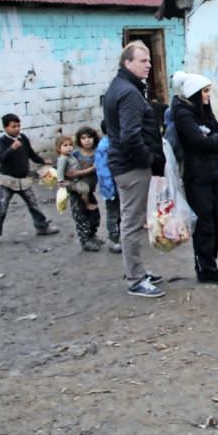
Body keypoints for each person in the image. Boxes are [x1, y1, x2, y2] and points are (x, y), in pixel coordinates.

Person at [103, 41, 166, 298]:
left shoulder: (122, 87)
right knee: (131, 222)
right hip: (132, 167)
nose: (148, 65)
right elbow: (130, 136)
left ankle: (138, 271)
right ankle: (136, 280)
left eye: (150, 61)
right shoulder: (128, 92)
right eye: (143, 61)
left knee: (134, 220)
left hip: (126, 165)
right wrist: (148, 159)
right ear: (127, 63)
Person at [171, 71, 218, 285]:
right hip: (197, 175)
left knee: (217, 219)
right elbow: (200, 142)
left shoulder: (203, 111)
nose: (207, 95)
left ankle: (211, 262)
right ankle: (205, 267)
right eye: (204, 91)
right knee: (205, 223)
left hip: (212, 171)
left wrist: (211, 138)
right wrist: (211, 139)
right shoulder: (184, 114)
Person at [0, 113, 59, 247]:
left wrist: (43, 160)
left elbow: (31, 154)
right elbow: (2, 159)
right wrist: (11, 149)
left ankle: (42, 227)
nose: (17, 129)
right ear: (5, 128)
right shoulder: (2, 141)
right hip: (7, 181)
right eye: (13, 126)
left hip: (23, 180)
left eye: (18, 126)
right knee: (2, 208)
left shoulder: (23, 138)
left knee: (33, 204)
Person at [55, 132, 102, 252]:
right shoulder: (65, 158)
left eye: (70, 145)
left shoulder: (73, 156)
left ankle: (92, 236)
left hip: (85, 188)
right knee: (82, 218)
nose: (69, 147)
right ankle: (85, 241)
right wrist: (61, 180)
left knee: (94, 215)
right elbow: (65, 172)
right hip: (75, 189)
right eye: (65, 145)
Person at [94, 120, 122, 253]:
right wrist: (109, 190)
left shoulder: (111, 143)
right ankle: (113, 239)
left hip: (118, 186)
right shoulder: (105, 146)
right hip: (110, 187)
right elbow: (103, 171)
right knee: (113, 214)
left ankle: (119, 237)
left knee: (120, 213)